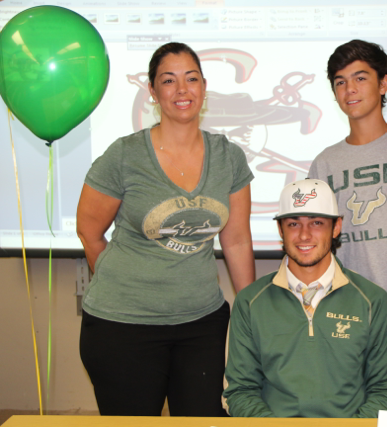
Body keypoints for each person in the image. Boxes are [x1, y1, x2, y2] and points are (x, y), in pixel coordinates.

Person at [76, 42, 255, 417]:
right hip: (121, 326)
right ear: (153, 91)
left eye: (191, 79)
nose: (182, 90)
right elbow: (89, 232)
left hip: (202, 323)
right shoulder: (124, 156)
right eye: (168, 80)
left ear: (204, 88)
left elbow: (236, 239)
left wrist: (253, 306)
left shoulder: (228, 157)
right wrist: (124, 287)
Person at [307, 39, 387, 413]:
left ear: (384, 83)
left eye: (360, 78)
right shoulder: (325, 163)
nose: (350, 89)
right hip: (347, 324)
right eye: (341, 82)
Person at [222, 178, 387, 418]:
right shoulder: (250, 302)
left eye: (317, 223)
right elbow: (239, 391)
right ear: (280, 229)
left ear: (336, 227)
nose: (304, 235)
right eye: (293, 224)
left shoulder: (373, 300)